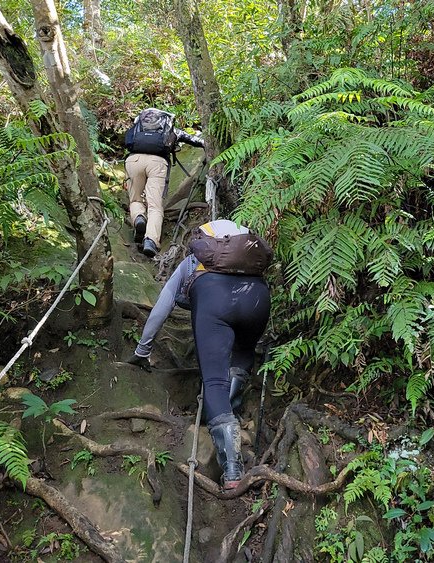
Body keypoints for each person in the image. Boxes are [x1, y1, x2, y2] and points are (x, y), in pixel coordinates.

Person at [126, 219, 272, 489]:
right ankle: (233, 407)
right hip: (257, 299)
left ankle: (231, 470)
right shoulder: (250, 260)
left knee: (214, 381)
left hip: (214, 300)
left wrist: (143, 349)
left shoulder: (194, 262)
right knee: (243, 351)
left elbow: (162, 308)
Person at [124, 108, 205, 257]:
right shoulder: (168, 128)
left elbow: (127, 141)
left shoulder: (138, 127)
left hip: (134, 160)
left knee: (135, 199)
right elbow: (191, 139)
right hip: (158, 162)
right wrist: (206, 143)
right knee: (155, 206)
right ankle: (151, 241)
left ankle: (139, 218)